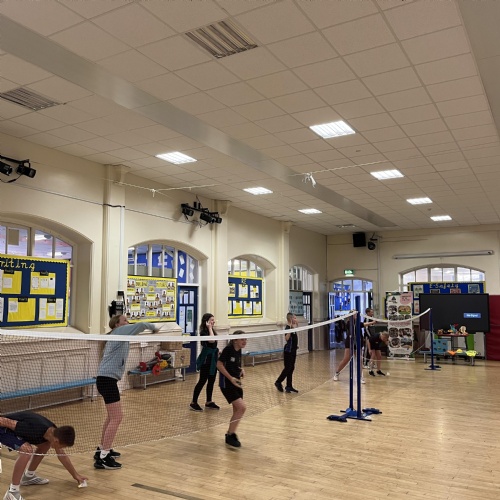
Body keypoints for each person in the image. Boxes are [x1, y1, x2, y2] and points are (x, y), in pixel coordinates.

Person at [95, 314, 159, 469]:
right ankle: (104, 457)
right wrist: (154, 328)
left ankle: (102, 449)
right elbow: (141, 325)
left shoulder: (119, 335)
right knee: (117, 417)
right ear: (117, 324)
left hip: (106, 380)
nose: (127, 322)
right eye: (125, 320)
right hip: (107, 381)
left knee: (111, 417)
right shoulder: (119, 332)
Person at [0, 411, 87, 500]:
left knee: (45, 445)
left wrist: (75, 475)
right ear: (56, 441)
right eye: (62, 446)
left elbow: (62, 455)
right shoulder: (34, 428)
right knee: (26, 450)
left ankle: (29, 476)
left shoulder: (54, 433)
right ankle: (12, 492)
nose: (61, 448)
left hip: (17, 431)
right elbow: (3, 421)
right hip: (3, 430)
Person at [217, 331, 247, 448]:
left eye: (245, 339)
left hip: (237, 383)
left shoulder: (239, 350)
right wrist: (231, 378)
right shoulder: (228, 350)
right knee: (242, 407)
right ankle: (230, 434)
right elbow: (219, 365)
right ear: (235, 340)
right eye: (242, 339)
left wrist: (241, 369)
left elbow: (235, 363)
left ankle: (231, 434)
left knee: (237, 410)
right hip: (227, 384)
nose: (244, 341)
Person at [190, 313, 220, 412]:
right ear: (206, 321)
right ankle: (193, 402)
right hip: (206, 360)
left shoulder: (212, 331)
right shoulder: (203, 332)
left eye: (213, 320)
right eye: (211, 320)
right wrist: (209, 328)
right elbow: (211, 341)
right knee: (202, 381)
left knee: (211, 380)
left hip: (213, 359)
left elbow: (214, 344)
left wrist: (218, 351)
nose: (213, 322)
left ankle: (209, 401)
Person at [333, 314, 365, 384]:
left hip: (358, 342)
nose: (356, 315)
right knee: (346, 359)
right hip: (350, 342)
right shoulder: (349, 323)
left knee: (360, 360)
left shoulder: (358, 322)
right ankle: (337, 373)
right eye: (354, 314)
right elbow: (362, 325)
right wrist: (372, 322)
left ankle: (360, 377)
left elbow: (362, 325)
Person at [274, 313, 299, 393]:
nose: (296, 319)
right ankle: (278, 382)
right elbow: (287, 338)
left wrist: (294, 326)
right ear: (290, 319)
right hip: (288, 351)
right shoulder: (288, 328)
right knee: (287, 368)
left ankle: (289, 386)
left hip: (293, 351)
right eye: (295, 318)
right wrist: (291, 329)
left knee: (291, 368)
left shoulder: (293, 328)